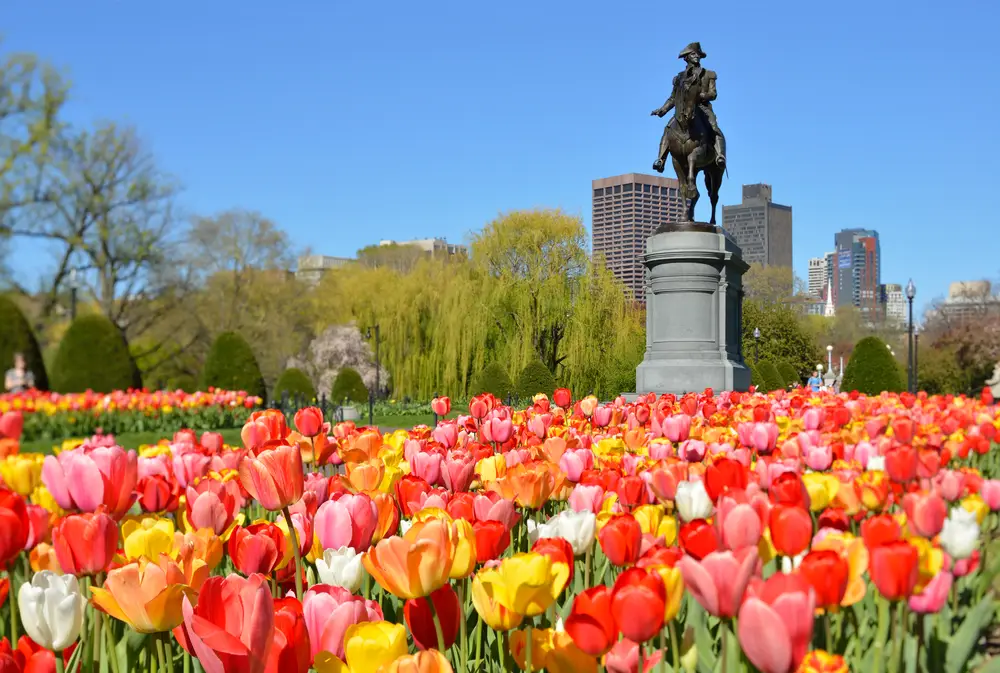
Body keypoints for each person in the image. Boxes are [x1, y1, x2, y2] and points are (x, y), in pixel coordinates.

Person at [651, 41, 727, 170]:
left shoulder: (709, 74)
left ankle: (720, 155)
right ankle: (661, 159)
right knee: (669, 128)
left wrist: (702, 96)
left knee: (714, 126)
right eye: (693, 54)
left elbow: (713, 94)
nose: (696, 56)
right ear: (686, 58)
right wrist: (662, 110)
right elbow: (673, 98)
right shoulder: (679, 78)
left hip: (703, 108)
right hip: (682, 109)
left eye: (698, 54)